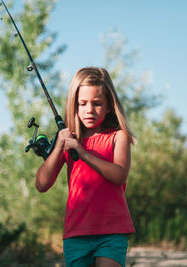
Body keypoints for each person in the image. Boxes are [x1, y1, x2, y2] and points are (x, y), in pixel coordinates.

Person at [35, 67, 136, 267]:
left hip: (111, 231)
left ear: (109, 106)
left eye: (97, 103)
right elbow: (41, 184)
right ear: (74, 105)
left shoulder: (119, 137)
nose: (89, 110)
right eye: (82, 103)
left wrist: (82, 153)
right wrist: (58, 148)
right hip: (76, 234)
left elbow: (119, 175)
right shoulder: (69, 140)